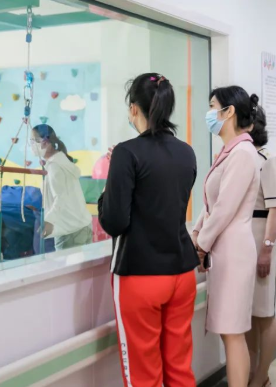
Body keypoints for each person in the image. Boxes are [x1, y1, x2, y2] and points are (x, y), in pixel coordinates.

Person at [98, 73, 199, 387]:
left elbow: (114, 221)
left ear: (133, 108)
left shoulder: (126, 153)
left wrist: (112, 180)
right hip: (182, 273)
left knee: (143, 376)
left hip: (140, 275)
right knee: (179, 369)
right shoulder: (186, 152)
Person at [192, 86, 260, 387]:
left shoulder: (243, 153)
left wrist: (201, 244)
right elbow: (212, 203)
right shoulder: (229, 151)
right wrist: (197, 231)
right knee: (229, 331)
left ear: (228, 111)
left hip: (233, 252)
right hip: (223, 249)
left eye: (212, 106)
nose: (209, 113)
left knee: (233, 333)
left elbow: (225, 207)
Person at [245, 110, 276, 387]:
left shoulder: (268, 160)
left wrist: (267, 250)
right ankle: (249, 371)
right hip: (242, 242)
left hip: (261, 239)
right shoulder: (241, 158)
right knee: (248, 313)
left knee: (264, 313)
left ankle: (262, 375)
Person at [31, 124, 92, 251]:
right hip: (82, 227)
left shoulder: (54, 166)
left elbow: (60, 198)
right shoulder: (62, 160)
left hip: (69, 232)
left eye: (34, 141)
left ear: (46, 142)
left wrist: (49, 221)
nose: (31, 145)